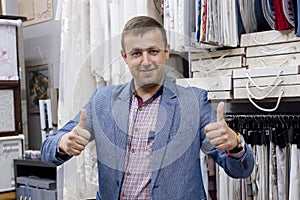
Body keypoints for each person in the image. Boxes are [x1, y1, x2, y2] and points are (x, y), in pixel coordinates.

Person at [41, 16, 254, 200]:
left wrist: (235, 145)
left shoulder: (194, 102)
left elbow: (241, 170)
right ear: (124, 57)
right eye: (136, 53)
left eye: (153, 51)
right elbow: (47, 150)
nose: (145, 61)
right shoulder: (102, 101)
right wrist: (62, 142)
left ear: (166, 52)